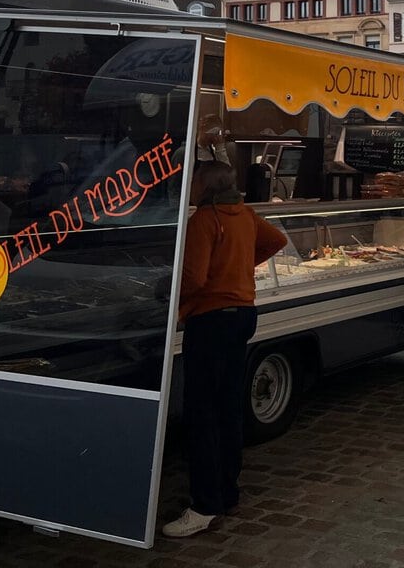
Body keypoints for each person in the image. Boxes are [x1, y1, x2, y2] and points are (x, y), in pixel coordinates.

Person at [163, 161, 286, 538]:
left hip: (211, 320)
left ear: (204, 185)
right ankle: (228, 493)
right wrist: (237, 267)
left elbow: (194, 278)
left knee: (202, 413)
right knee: (229, 409)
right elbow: (276, 241)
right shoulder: (244, 213)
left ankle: (204, 505)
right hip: (243, 315)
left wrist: (165, 296)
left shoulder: (205, 219)